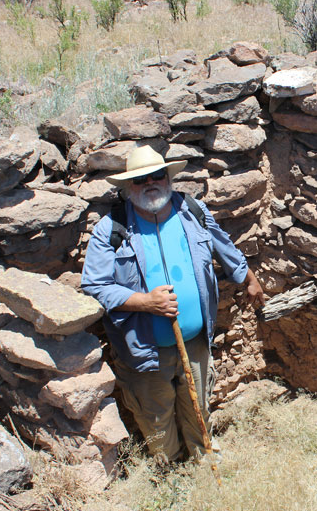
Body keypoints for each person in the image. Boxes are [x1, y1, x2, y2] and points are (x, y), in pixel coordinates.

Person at [81, 145, 264, 463]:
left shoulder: (191, 211)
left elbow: (224, 245)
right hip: (144, 351)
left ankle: (201, 456)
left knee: (199, 406)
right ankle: (172, 471)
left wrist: (248, 277)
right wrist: (145, 302)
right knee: (156, 417)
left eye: (157, 175)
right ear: (127, 187)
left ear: (168, 178)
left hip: (195, 342)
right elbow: (95, 286)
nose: (150, 183)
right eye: (140, 179)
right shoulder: (111, 230)